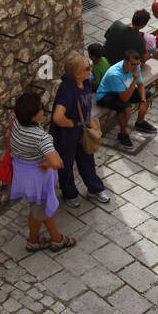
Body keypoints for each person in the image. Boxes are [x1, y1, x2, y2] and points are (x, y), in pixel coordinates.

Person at [9, 89, 74, 252]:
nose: (43, 110)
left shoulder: (15, 121)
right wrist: (46, 164)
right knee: (39, 209)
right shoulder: (41, 137)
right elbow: (57, 163)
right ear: (34, 116)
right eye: (41, 108)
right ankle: (35, 242)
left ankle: (55, 237)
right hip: (37, 179)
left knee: (42, 207)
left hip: (22, 172)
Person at [50, 54, 110, 207]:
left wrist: (88, 121)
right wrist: (71, 123)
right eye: (87, 68)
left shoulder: (85, 82)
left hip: (80, 131)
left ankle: (94, 188)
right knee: (67, 165)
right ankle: (69, 194)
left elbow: (85, 105)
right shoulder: (67, 90)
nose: (91, 69)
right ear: (77, 74)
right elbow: (57, 117)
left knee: (87, 160)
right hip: (65, 136)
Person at [95, 49, 157, 148]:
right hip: (106, 95)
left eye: (138, 64)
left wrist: (143, 101)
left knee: (147, 94)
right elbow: (124, 99)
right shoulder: (115, 74)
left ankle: (140, 123)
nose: (136, 67)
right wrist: (135, 80)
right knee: (126, 107)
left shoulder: (135, 66)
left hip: (123, 89)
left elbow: (141, 85)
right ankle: (122, 134)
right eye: (133, 64)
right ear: (125, 62)